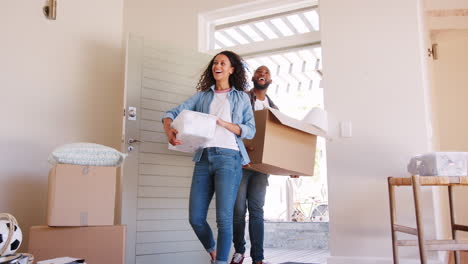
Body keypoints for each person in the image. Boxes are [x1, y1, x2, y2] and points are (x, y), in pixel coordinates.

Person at [162, 51, 256, 264]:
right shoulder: (202, 96)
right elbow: (171, 113)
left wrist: (224, 123)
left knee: (224, 219)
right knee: (195, 218)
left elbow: (250, 130)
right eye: (215, 62)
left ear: (232, 69)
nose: (217, 66)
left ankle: (221, 261)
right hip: (204, 158)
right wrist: (169, 129)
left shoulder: (241, 97)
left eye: (223, 63)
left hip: (229, 158)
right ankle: (213, 251)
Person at [230, 65, 278, 264]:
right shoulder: (242, 99)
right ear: (253, 77)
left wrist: (290, 168)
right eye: (259, 71)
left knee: (257, 211)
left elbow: (278, 140)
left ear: (270, 81)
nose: (262, 74)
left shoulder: (274, 109)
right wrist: (244, 147)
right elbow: (233, 125)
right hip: (242, 163)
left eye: (266, 73)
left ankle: (258, 258)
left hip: (262, 168)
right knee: (239, 210)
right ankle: (239, 251)